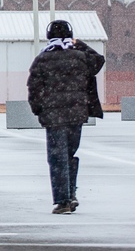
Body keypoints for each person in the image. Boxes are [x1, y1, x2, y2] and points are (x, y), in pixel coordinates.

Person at [26, 20, 105, 214]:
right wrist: (79, 43)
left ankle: (63, 200)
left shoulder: (42, 59)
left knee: (57, 157)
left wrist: (39, 110)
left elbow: (34, 89)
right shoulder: (79, 57)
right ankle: (71, 194)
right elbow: (98, 60)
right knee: (69, 154)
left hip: (53, 116)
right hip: (76, 114)